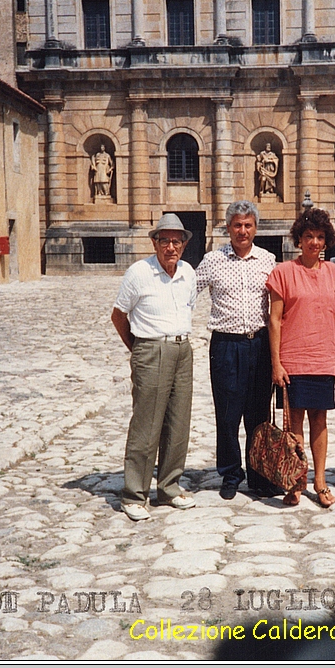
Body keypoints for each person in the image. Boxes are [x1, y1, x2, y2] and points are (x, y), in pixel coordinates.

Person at [111, 213, 198, 521]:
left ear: (184, 244)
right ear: (154, 242)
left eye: (177, 241)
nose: (171, 247)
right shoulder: (139, 272)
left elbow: (190, 307)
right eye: (165, 241)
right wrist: (139, 349)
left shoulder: (188, 273)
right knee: (146, 425)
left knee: (178, 422)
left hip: (182, 348)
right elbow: (119, 315)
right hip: (150, 349)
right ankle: (134, 493)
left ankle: (169, 486)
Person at [195, 201, 283, 500]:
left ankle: (259, 475)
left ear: (255, 228)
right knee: (228, 414)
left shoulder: (268, 260)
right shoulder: (212, 261)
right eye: (237, 225)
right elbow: (186, 292)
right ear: (228, 228)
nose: (242, 231)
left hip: (258, 344)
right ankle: (231, 473)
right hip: (226, 345)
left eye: (248, 225)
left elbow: (281, 305)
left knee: (259, 414)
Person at [267, 207, 335, 508]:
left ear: (326, 242)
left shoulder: (334, 274)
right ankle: (295, 480)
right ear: (298, 240)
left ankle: (320, 481)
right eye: (308, 236)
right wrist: (276, 362)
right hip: (292, 358)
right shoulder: (283, 273)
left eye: (320, 237)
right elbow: (274, 320)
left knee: (320, 421)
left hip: (323, 357)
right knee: (293, 424)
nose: (314, 242)